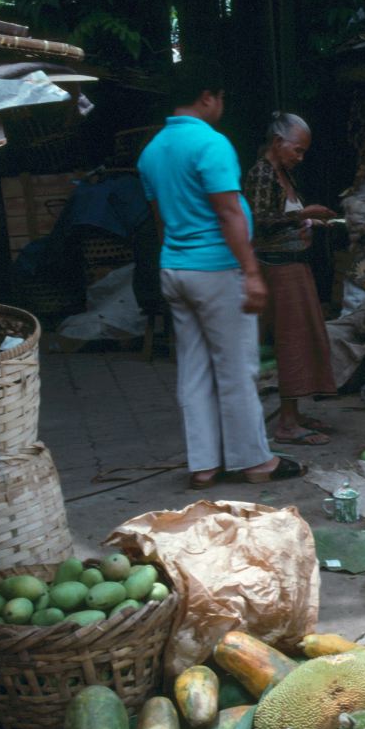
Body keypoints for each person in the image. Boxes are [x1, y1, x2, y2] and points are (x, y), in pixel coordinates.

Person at [137, 57, 304, 488]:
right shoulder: (211, 144)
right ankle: (254, 461)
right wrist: (250, 272)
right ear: (207, 97)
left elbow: (160, 221)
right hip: (216, 270)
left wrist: (175, 259)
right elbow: (230, 213)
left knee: (193, 370)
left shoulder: (152, 151)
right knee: (236, 369)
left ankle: (204, 465)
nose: (222, 105)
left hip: (175, 268)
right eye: (221, 98)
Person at [244, 112, 339, 446]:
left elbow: (282, 219)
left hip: (295, 266)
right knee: (291, 342)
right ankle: (286, 423)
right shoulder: (262, 173)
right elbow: (259, 220)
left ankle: (294, 414)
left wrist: (308, 225)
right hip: (279, 270)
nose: (299, 157)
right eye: (296, 150)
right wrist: (304, 213)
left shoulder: (283, 173)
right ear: (277, 142)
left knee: (303, 338)